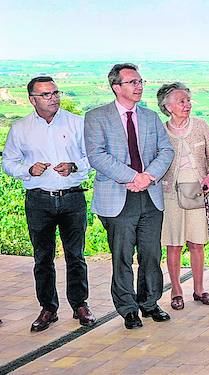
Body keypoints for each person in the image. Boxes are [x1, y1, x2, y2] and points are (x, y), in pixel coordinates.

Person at [84, 63, 175, 329]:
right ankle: (127, 309)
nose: (139, 86)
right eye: (132, 82)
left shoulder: (150, 117)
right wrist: (132, 177)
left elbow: (165, 151)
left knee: (150, 253)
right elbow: (97, 156)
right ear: (116, 87)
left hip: (150, 195)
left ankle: (149, 303)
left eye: (140, 81)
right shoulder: (96, 117)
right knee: (122, 256)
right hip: (117, 196)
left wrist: (147, 177)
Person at [2, 76, 96, 332]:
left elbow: (94, 155)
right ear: (32, 99)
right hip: (39, 200)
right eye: (46, 94)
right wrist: (28, 169)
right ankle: (48, 308)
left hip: (73, 197)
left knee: (75, 256)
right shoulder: (21, 128)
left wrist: (75, 165)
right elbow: (8, 162)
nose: (53, 98)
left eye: (55, 92)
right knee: (42, 258)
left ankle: (80, 305)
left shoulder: (78, 123)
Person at [156, 82, 209, 310]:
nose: (187, 105)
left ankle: (199, 289)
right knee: (173, 244)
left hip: (197, 191)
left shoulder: (201, 125)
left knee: (198, 242)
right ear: (168, 106)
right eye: (182, 101)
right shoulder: (160, 130)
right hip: (171, 192)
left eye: (188, 100)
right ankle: (176, 291)